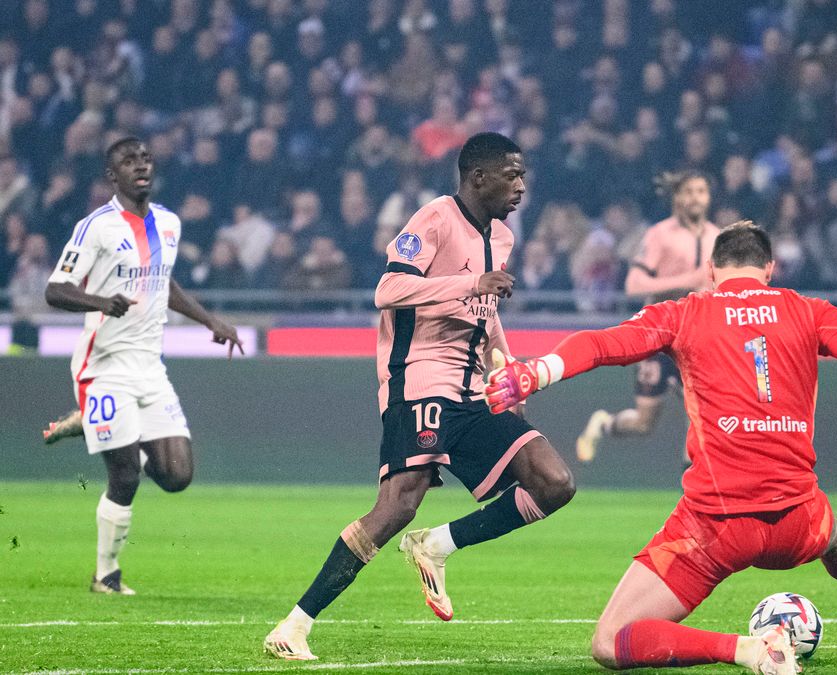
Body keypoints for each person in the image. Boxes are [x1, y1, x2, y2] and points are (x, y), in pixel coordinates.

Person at [485, 225, 837, 674]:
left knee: (610, 642)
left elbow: (606, 344)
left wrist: (537, 372)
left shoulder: (686, 312)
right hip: (797, 520)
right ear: (770, 269)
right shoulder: (808, 312)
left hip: (717, 526)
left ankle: (748, 650)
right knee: (836, 538)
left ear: (711, 271)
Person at [263, 133, 576, 661]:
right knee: (397, 506)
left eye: (523, 176)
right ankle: (294, 626)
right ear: (478, 176)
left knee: (554, 482)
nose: (522, 186)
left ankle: (438, 545)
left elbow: (488, 309)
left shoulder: (501, 237)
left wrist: (510, 367)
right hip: (419, 380)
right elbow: (388, 290)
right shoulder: (433, 218)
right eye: (513, 175)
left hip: (474, 388)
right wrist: (471, 284)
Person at [41, 137, 243, 595]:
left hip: (151, 368)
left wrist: (210, 319)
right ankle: (105, 575)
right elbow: (55, 290)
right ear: (112, 177)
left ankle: (87, 425)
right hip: (104, 366)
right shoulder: (95, 227)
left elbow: (163, 283)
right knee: (126, 473)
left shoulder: (168, 224)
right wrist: (99, 301)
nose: (141, 166)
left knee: (177, 476)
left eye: (146, 159)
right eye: (129, 161)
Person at [575, 171, 719, 464]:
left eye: (701, 191)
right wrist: (684, 281)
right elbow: (634, 285)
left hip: (698, 338)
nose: (695, 198)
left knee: (704, 412)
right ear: (677, 197)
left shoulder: (717, 237)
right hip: (661, 335)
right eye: (689, 192)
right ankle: (604, 423)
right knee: (643, 422)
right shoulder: (659, 235)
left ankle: (691, 486)